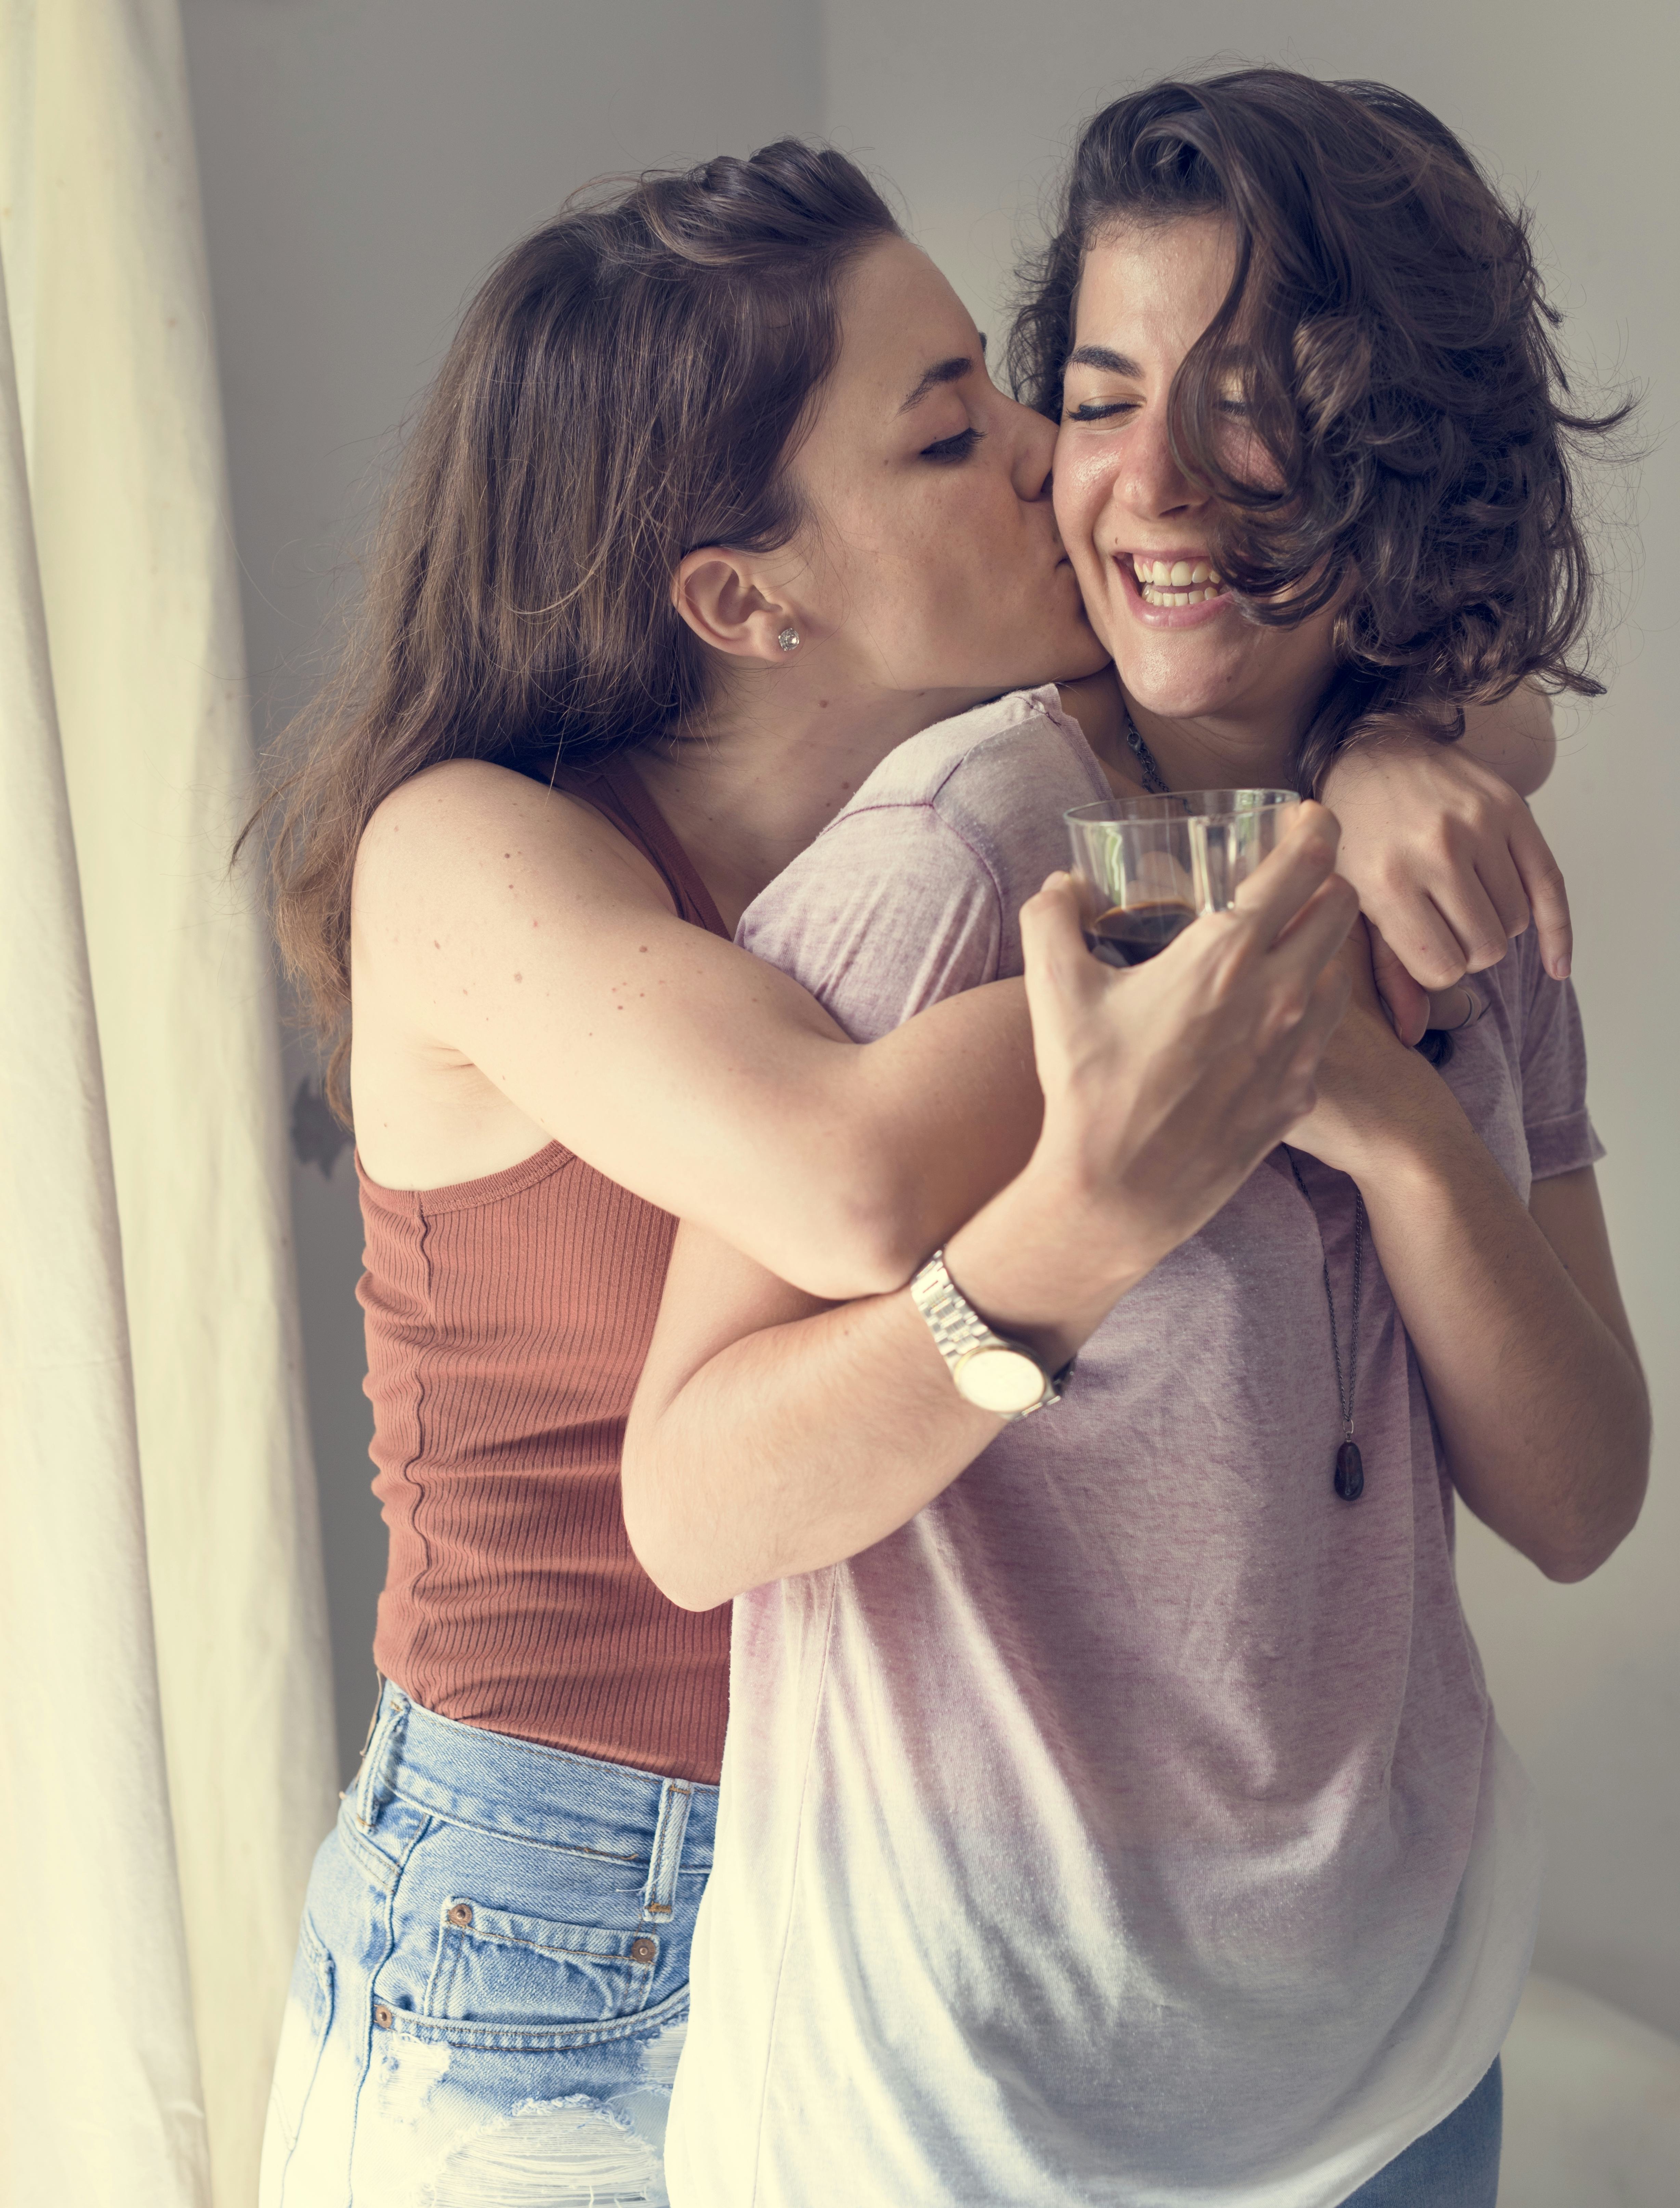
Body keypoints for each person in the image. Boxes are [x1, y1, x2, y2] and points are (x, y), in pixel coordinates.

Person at [254, 138, 1570, 2206]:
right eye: (959, 432)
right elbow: (853, 1183)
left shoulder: (945, 832)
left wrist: (1392, 743)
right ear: (744, 594)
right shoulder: (477, 859)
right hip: (563, 1918)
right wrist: (1299, 866)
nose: (1063, 459)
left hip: (867, 1878)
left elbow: (1424, 683)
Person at [622, 75, 1649, 2208]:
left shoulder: (1455, 856)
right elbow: (693, 1503)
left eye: (1250, 397)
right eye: (1095, 399)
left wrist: (1383, 1113)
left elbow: (1579, 1493)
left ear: (1412, 439)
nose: (1150, 482)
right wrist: (1065, 1246)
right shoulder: (943, 869)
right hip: (969, 2123)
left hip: (1397, 2060)